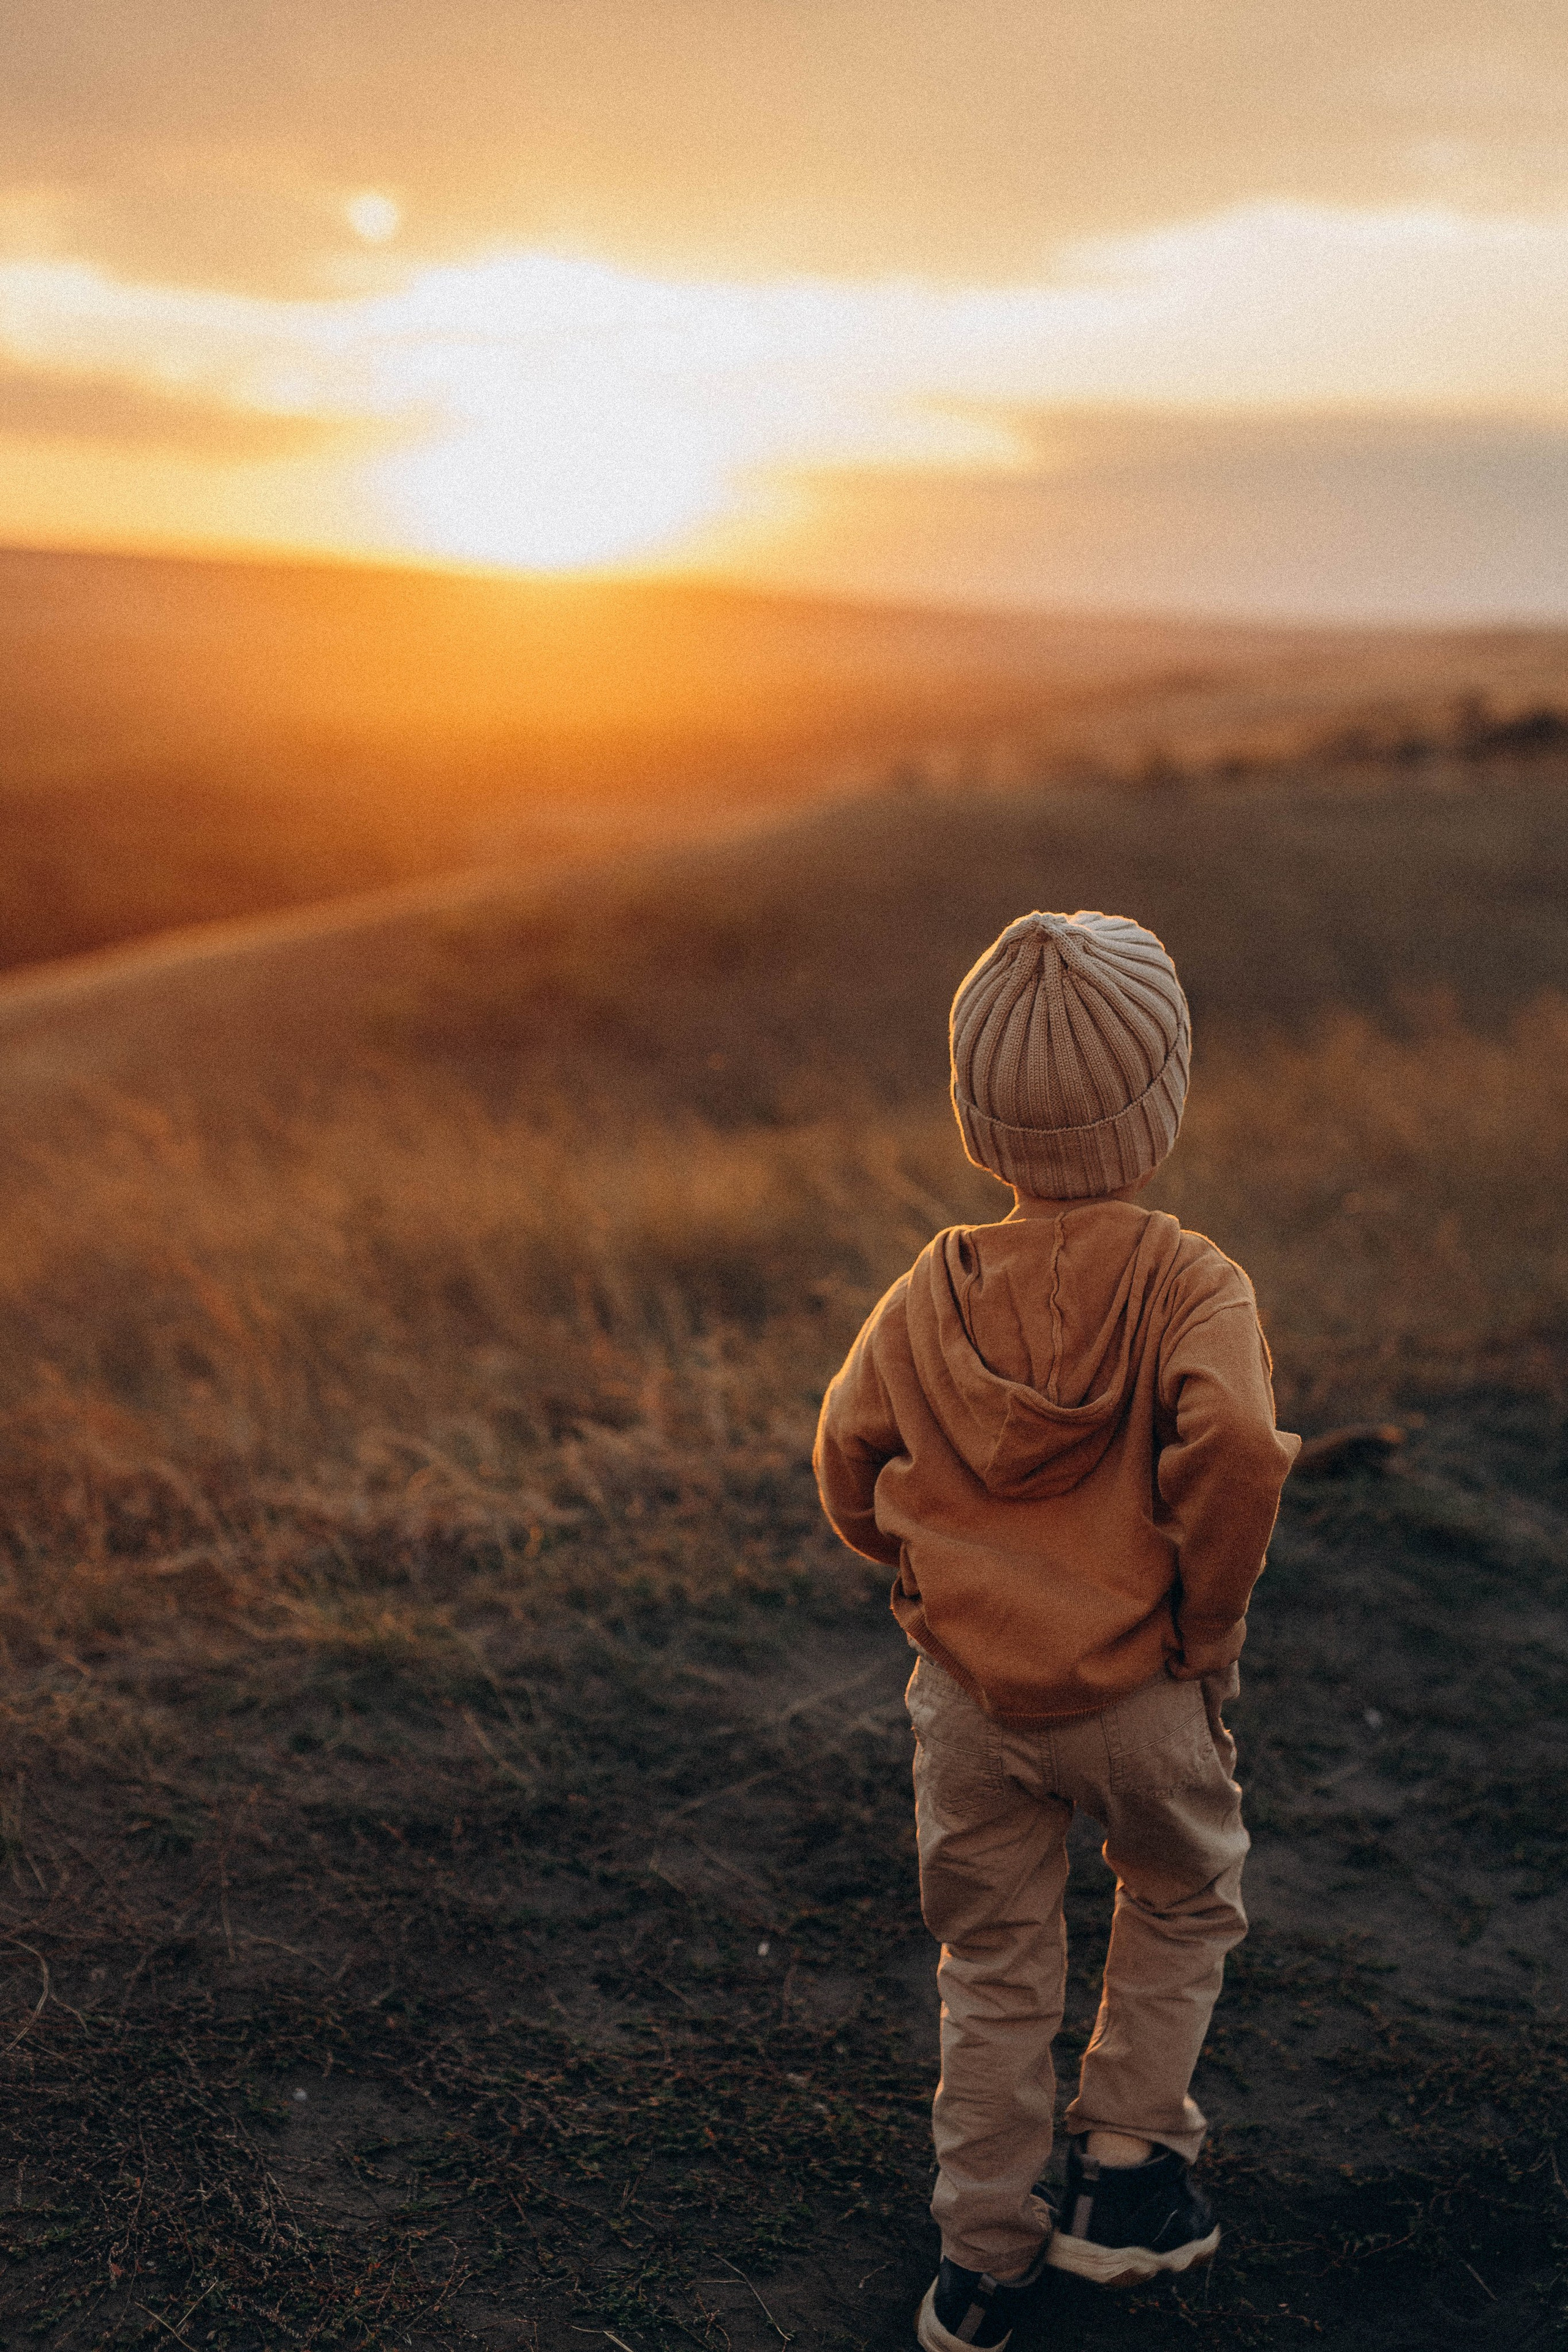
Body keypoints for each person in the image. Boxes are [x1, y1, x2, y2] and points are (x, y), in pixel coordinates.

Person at [813, 910, 1299, 2352]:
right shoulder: (1190, 1281)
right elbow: (1236, 1451)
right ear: (1162, 1101)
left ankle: (979, 2265)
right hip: (1141, 1690)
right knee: (1179, 1893)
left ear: (978, 1118)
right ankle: (1126, 2181)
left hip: (965, 1700)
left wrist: (925, 1583)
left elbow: (845, 1456)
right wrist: (1201, 1628)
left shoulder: (926, 1287)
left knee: (991, 1964)